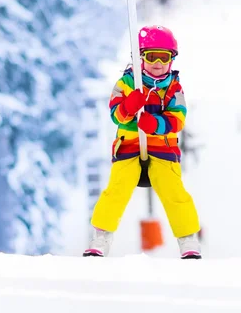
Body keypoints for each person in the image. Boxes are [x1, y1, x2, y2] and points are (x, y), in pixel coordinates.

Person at [83, 25, 202, 259]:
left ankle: (188, 239)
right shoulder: (126, 83)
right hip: (129, 147)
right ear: (140, 58)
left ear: (171, 60)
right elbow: (115, 114)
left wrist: (155, 124)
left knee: (174, 191)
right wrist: (129, 106)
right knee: (117, 189)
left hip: (162, 150)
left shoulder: (174, 88)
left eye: (164, 57)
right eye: (151, 56)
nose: (157, 63)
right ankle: (101, 236)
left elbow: (177, 119)